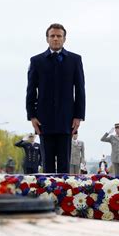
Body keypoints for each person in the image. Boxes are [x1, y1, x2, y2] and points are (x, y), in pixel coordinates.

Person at [26, 23, 86, 173]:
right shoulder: (36, 61)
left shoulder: (75, 60)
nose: (55, 39)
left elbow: (79, 90)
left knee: (64, 164)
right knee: (47, 165)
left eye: (59, 36)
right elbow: (31, 90)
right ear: (47, 39)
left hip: (67, 119)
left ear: (64, 39)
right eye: (52, 36)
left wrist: (78, 116)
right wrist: (32, 116)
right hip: (43, 120)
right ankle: (47, 196)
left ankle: (64, 195)